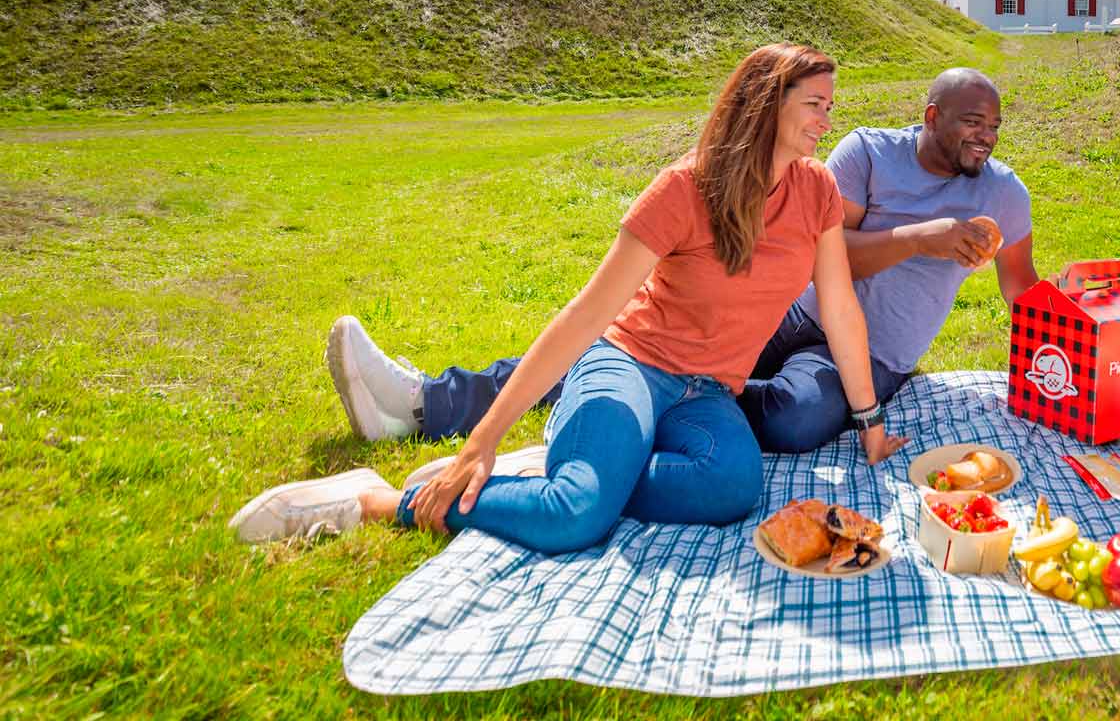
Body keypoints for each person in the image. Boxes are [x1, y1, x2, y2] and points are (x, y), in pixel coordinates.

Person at [229, 44, 904, 550]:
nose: (827, 119)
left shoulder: (814, 191)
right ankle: (378, 500)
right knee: (573, 516)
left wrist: (870, 425)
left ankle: (586, 464)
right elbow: (585, 316)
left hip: (707, 394)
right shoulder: (684, 189)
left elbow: (840, 309)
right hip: (629, 365)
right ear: (767, 104)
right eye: (816, 104)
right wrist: (481, 442)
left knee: (733, 487)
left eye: (829, 105)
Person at [322, 68, 1039, 461]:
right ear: (932, 114)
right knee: (643, 348)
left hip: (874, 352)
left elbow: (1022, 291)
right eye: (973, 122)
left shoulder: (1004, 194)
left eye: (996, 126)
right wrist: (921, 237)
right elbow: (834, 265)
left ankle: (650, 410)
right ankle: (425, 402)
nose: (987, 136)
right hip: (799, 311)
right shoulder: (865, 154)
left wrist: (1083, 331)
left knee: (792, 422)